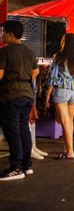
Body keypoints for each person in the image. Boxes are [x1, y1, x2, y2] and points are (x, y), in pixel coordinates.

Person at [0, 21, 39, 180]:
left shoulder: (5, 51)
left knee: (13, 131)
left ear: (10, 34)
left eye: (3, 32)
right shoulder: (29, 51)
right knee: (23, 129)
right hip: (27, 95)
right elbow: (35, 72)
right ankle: (26, 165)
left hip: (11, 94)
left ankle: (15, 167)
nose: (2, 35)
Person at [46, 33, 74, 159]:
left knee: (64, 121)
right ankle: (67, 148)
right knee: (69, 120)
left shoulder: (59, 57)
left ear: (64, 42)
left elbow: (53, 77)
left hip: (62, 90)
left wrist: (48, 94)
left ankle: (70, 152)